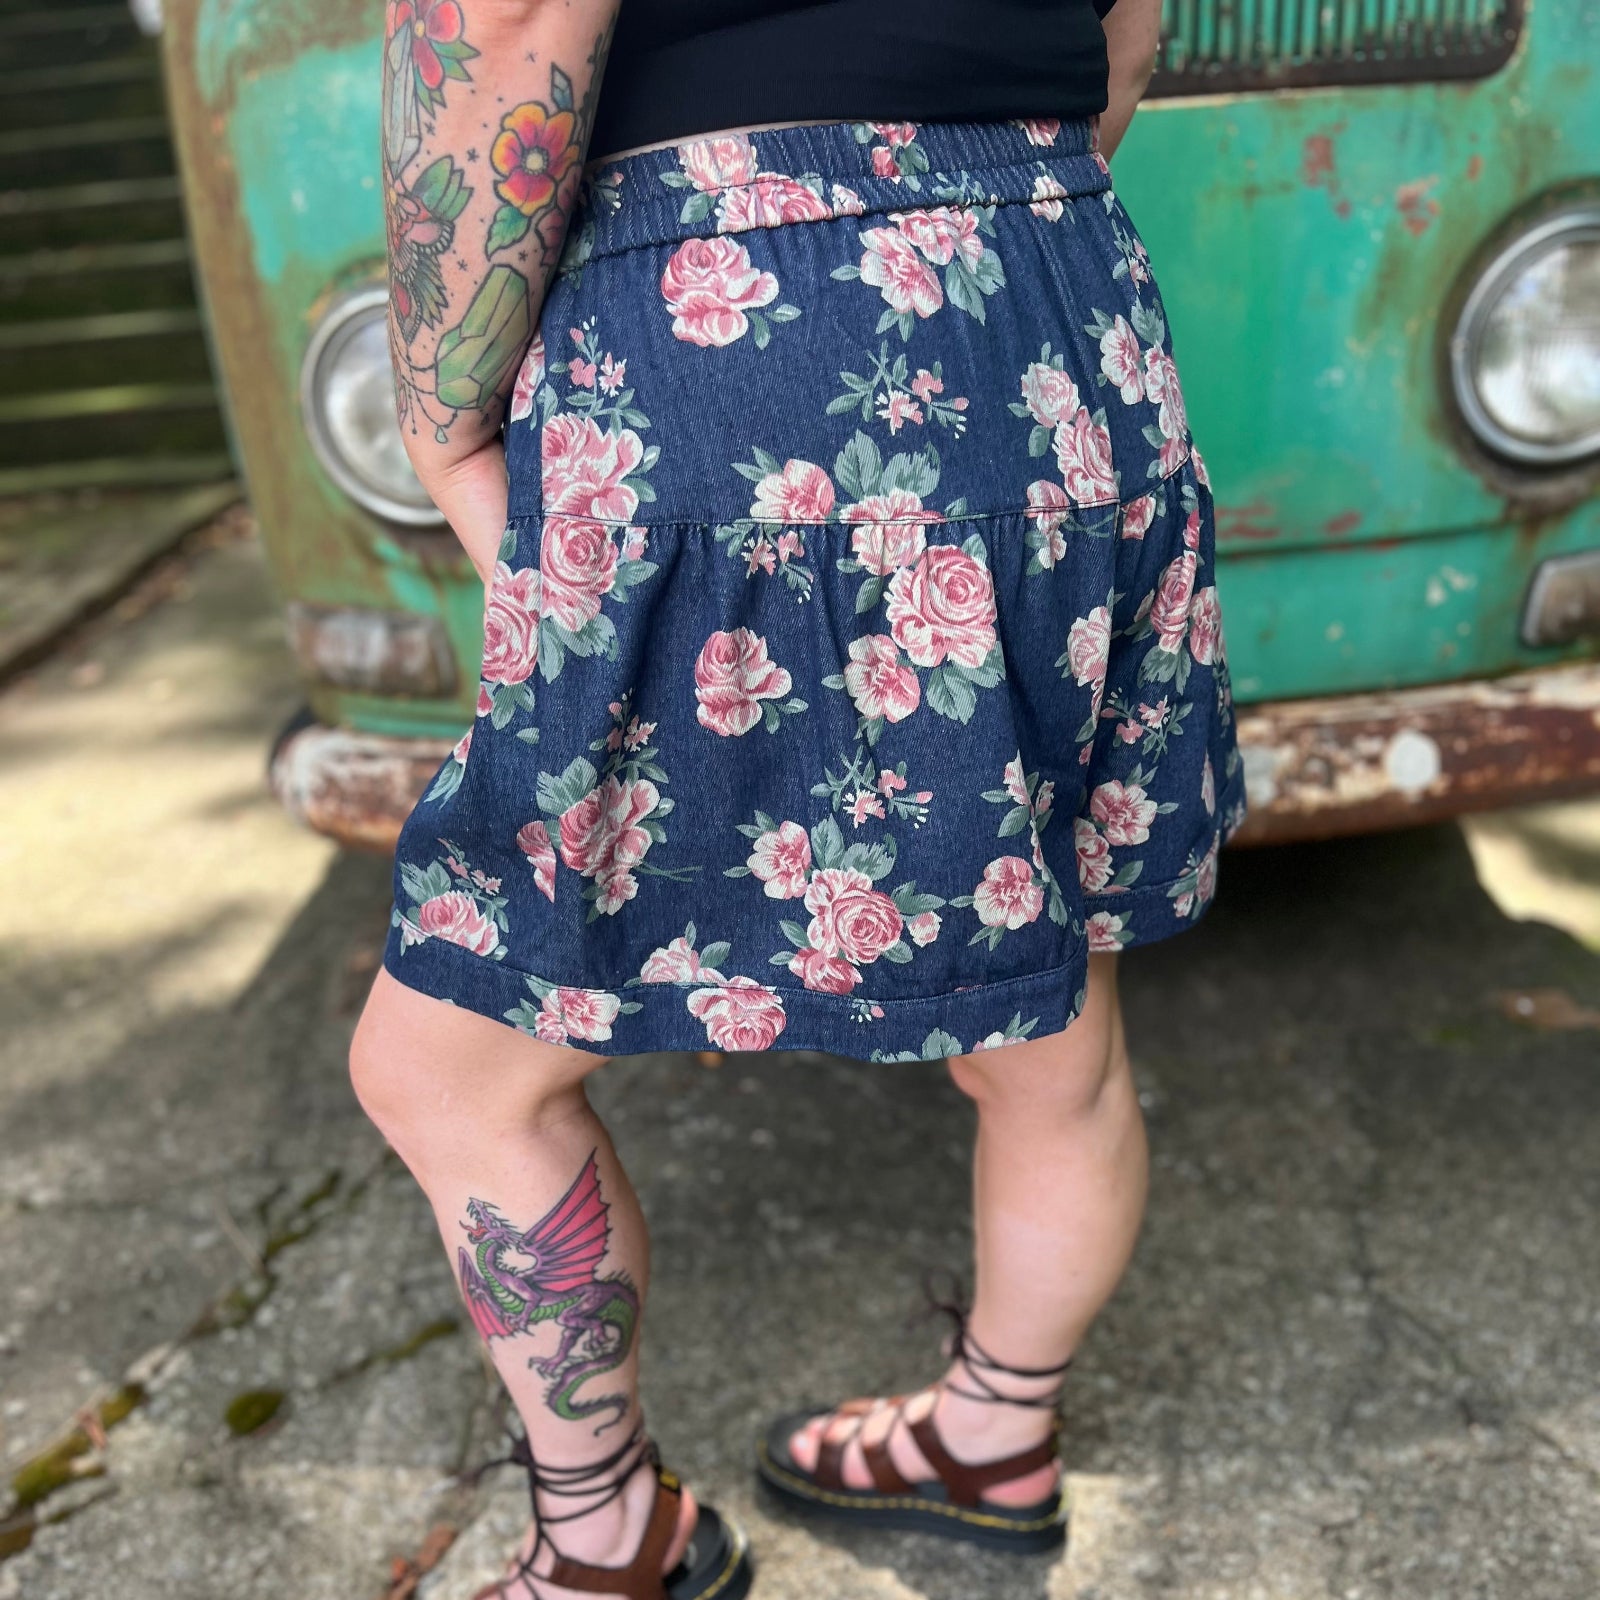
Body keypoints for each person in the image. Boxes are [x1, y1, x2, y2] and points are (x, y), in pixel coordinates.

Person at [355, 1, 1245, 1594]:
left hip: (745, 320)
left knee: (449, 1069)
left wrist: (439, 416)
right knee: (1046, 992)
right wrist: (973, 198)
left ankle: (614, 1542)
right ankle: (993, 1439)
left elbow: (509, 27)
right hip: (1060, 294)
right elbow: (1126, 22)